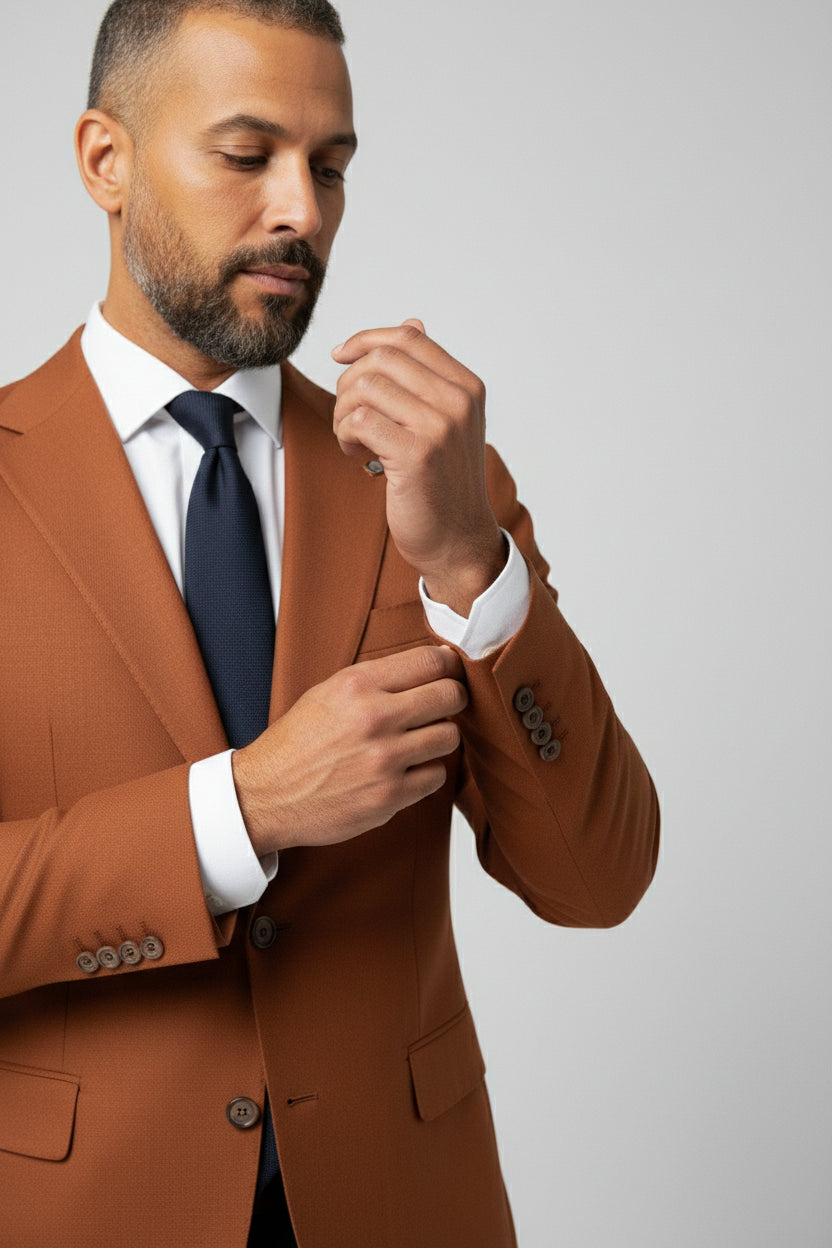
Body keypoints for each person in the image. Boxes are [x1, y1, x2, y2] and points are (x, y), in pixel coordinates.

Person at [0, 1, 659, 1244]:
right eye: (247, 155)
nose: (301, 211)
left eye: (332, 167)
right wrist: (240, 811)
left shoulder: (432, 481)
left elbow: (598, 879)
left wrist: (469, 560)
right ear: (106, 159)